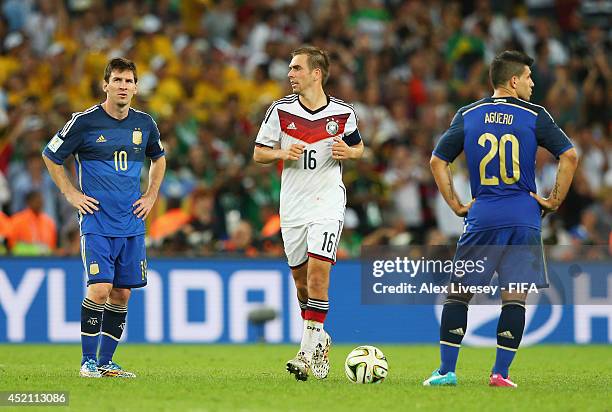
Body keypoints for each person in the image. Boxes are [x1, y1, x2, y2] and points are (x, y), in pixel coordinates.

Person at [426, 50, 578, 388]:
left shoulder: (468, 114)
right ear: (513, 81)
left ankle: (447, 372)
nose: (532, 83)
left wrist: (455, 203)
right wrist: (553, 201)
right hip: (524, 215)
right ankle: (500, 374)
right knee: (515, 295)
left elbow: (438, 160)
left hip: (484, 213)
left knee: (458, 292)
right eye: (528, 77)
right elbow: (569, 155)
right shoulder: (535, 115)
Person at [42, 57, 166, 378]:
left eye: (129, 81)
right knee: (99, 288)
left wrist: (151, 194)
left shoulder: (145, 124)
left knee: (122, 293)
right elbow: (51, 155)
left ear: (136, 87)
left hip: (132, 223)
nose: (123, 86)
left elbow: (158, 158)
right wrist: (71, 194)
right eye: (118, 80)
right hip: (97, 221)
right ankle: (87, 362)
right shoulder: (84, 122)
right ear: (105, 85)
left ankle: (106, 362)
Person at [253, 46, 364, 381]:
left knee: (318, 275)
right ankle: (320, 339)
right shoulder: (280, 111)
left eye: (296, 68)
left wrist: (351, 152)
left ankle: (304, 353)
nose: (290, 74)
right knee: (302, 284)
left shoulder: (343, 113)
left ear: (316, 73)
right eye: (290, 69)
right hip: (293, 206)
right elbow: (259, 153)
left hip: (327, 202)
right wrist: (283, 153)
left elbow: (359, 146)